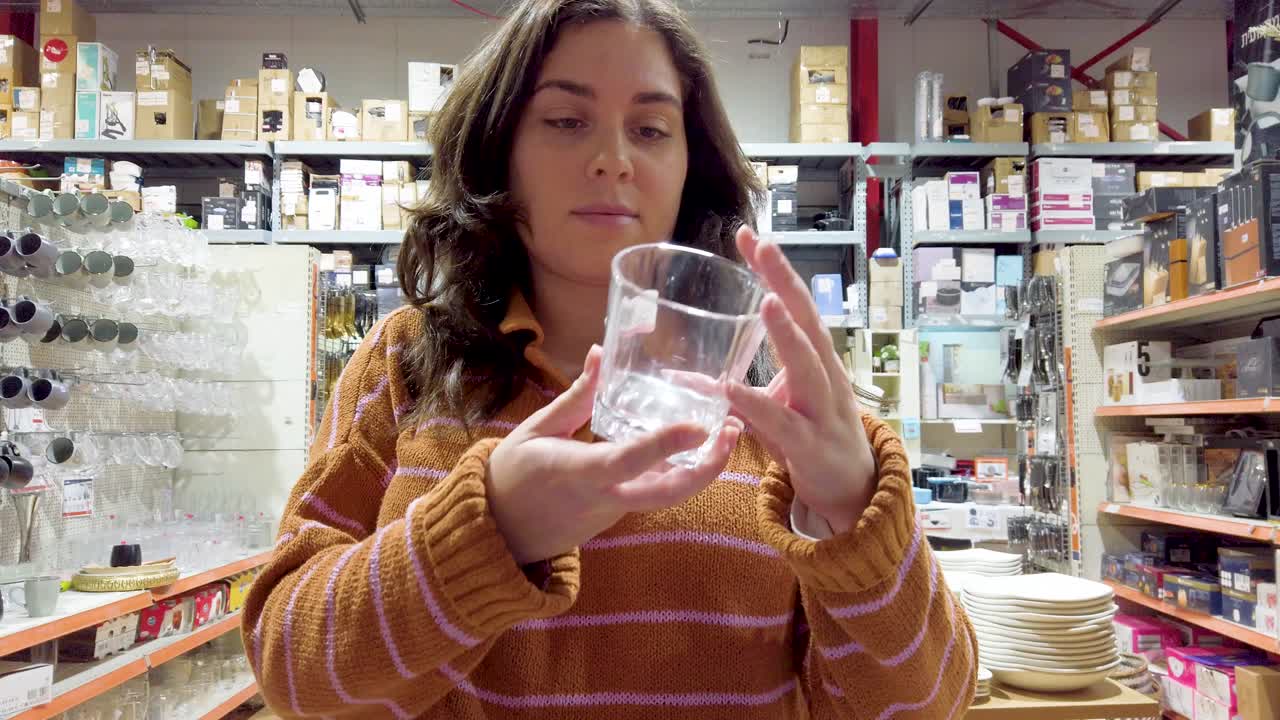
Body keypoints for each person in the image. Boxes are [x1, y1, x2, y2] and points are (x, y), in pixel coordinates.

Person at [243, 0, 977, 716]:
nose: (613, 160)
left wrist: (854, 513)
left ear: (693, 163)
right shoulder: (405, 363)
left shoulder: (783, 408)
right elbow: (291, 676)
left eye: (652, 129)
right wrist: (490, 533)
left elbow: (921, 704)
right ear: (501, 149)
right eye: (566, 121)